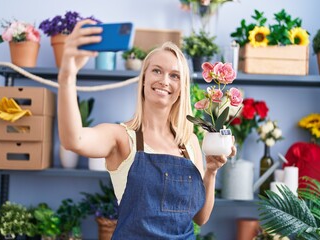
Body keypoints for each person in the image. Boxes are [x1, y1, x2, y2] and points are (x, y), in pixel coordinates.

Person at [58, 19, 236, 239]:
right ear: (143, 79)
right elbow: (73, 140)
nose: (164, 80)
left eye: (174, 75)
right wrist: (67, 75)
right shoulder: (121, 137)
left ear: (181, 89)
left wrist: (211, 172)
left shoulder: (188, 143)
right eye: (157, 71)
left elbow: (200, 217)